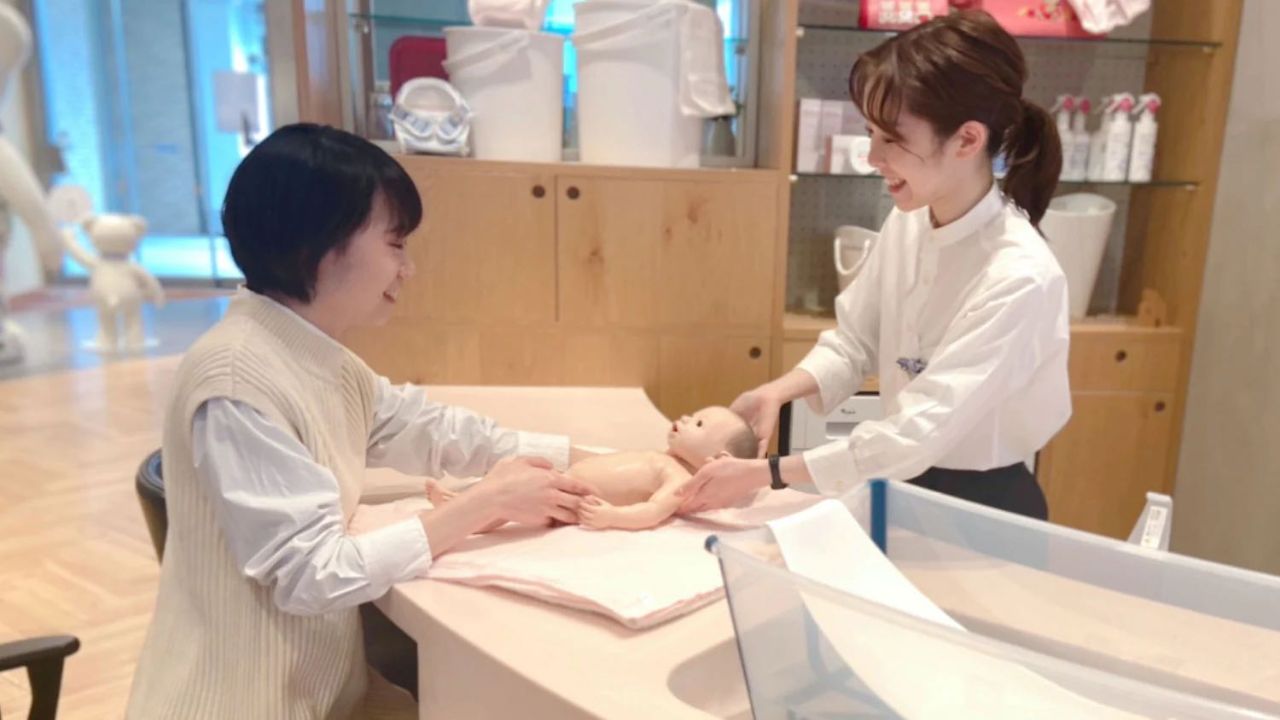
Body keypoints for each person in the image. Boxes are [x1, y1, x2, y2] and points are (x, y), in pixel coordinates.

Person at [126, 123, 595, 719]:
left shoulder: (313, 355)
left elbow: (429, 429)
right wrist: (486, 504)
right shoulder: (238, 379)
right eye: (396, 244)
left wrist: (584, 459)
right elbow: (311, 576)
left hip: (322, 691)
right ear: (320, 245)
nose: (408, 269)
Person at [678, 10, 1069, 521]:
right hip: (904, 487)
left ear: (967, 140)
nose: (871, 156)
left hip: (982, 507)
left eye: (892, 139)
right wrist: (778, 391)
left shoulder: (1020, 276)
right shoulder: (910, 221)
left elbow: (915, 435)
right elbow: (856, 341)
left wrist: (765, 473)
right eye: (870, 133)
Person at [427, 406, 759, 531]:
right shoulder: (663, 456)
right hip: (563, 481)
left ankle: (467, 517)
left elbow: (653, 512)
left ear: (718, 460)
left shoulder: (679, 479)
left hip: (571, 501)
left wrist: (612, 517)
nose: (686, 418)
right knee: (512, 481)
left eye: (699, 424)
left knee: (511, 509)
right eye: (693, 414)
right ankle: (462, 503)